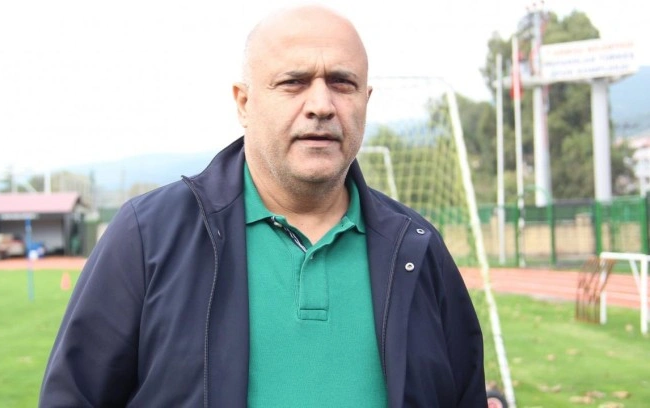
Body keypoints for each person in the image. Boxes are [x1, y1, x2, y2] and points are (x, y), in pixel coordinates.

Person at [40, 5, 486, 407]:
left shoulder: (417, 248)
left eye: (342, 83)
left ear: (365, 101)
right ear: (244, 102)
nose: (321, 105)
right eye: (293, 82)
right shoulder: (148, 236)